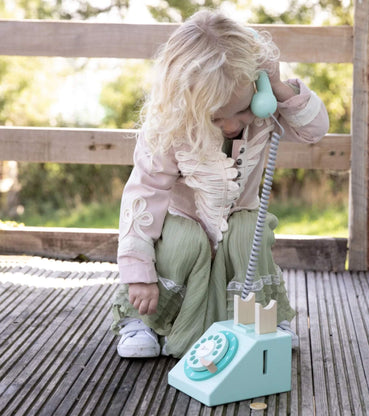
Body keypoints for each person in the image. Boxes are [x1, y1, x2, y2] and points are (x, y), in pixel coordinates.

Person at [111, 9, 329, 359]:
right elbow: (144, 195)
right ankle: (143, 320)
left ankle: (264, 316)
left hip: (239, 219)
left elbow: (314, 131)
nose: (231, 125)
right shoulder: (171, 129)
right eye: (216, 117)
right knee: (183, 242)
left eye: (242, 111)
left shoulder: (265, 109)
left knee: (248, 232)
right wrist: (138, 274)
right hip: (184, 222)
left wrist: (276, 87)